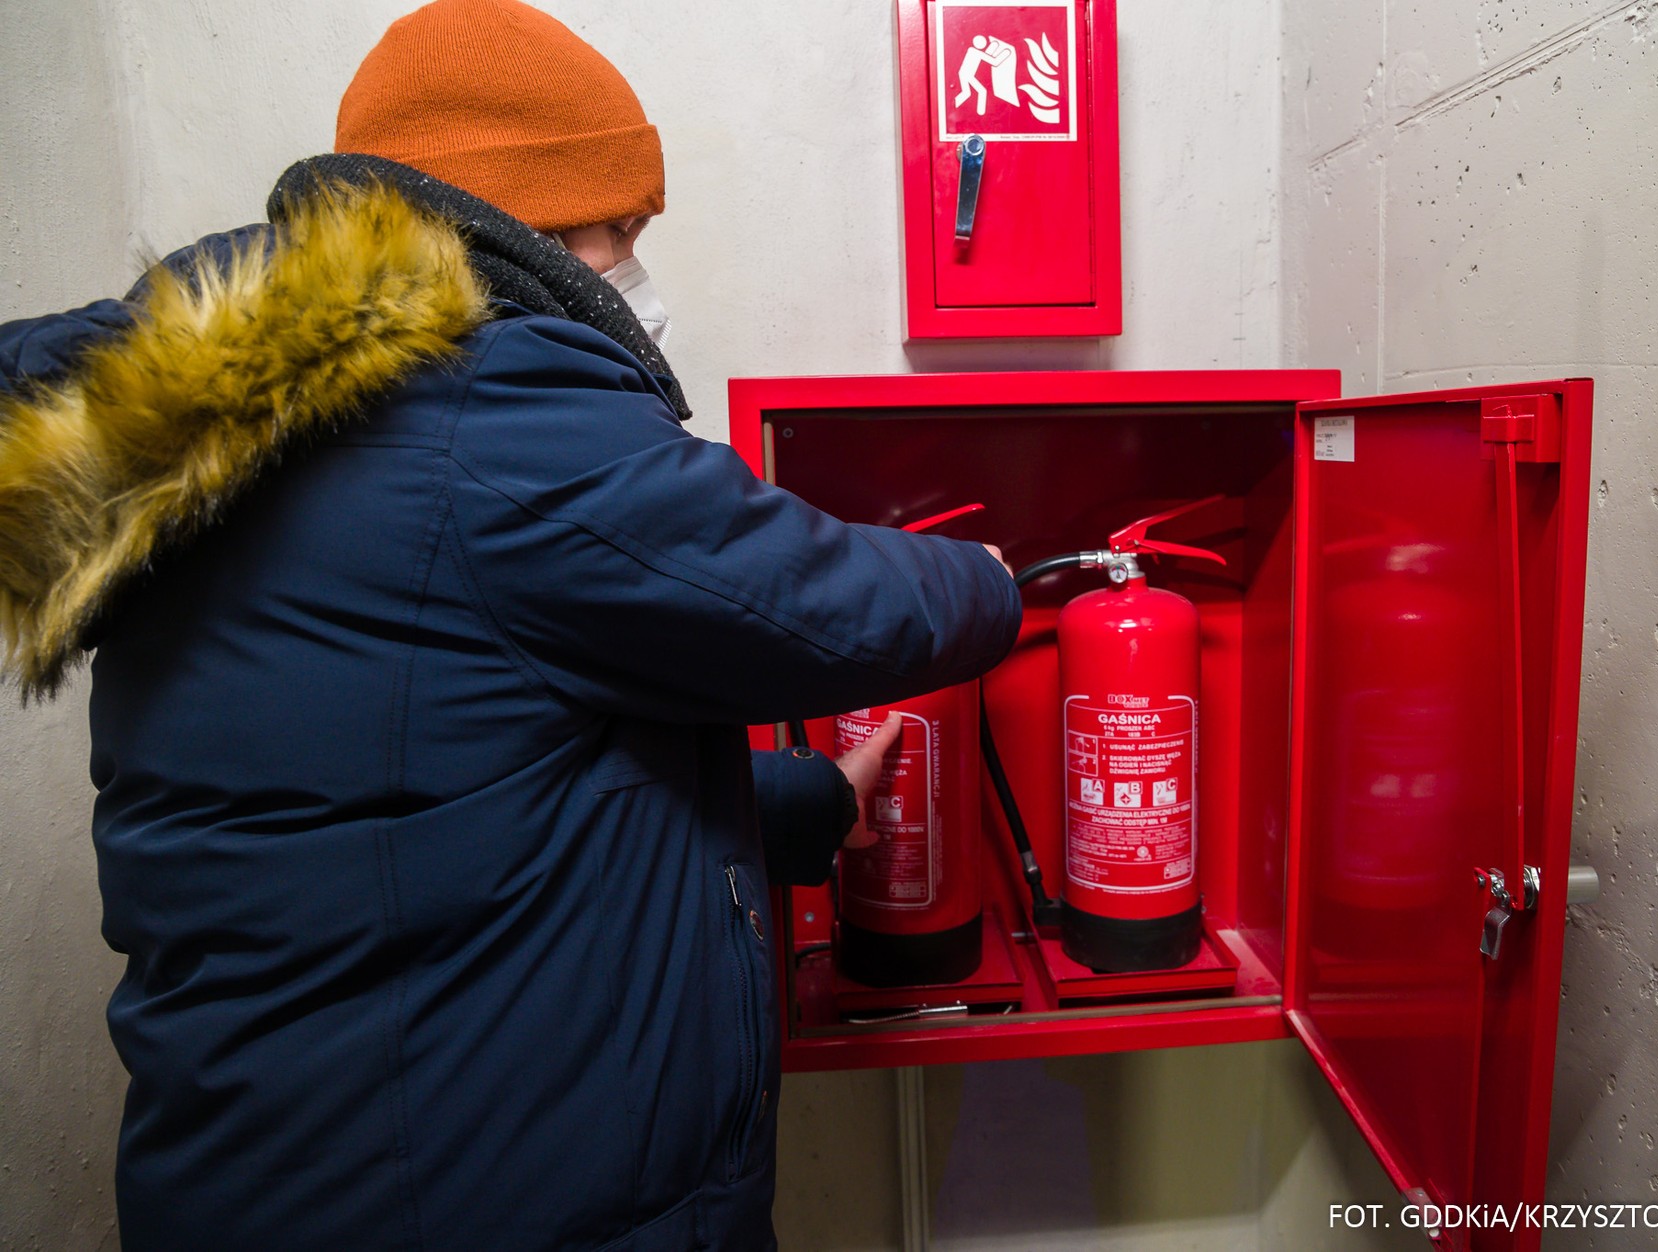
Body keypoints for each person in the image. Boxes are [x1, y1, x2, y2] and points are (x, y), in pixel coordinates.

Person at [0, 1, 1021, 1248]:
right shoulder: (487, 404)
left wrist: (811, 801)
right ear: (528, 216)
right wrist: (987, 574)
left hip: (277, 1177)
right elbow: (812, 597)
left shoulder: (233, 421)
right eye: (627, 229)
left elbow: (462, 780)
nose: (637, 268)